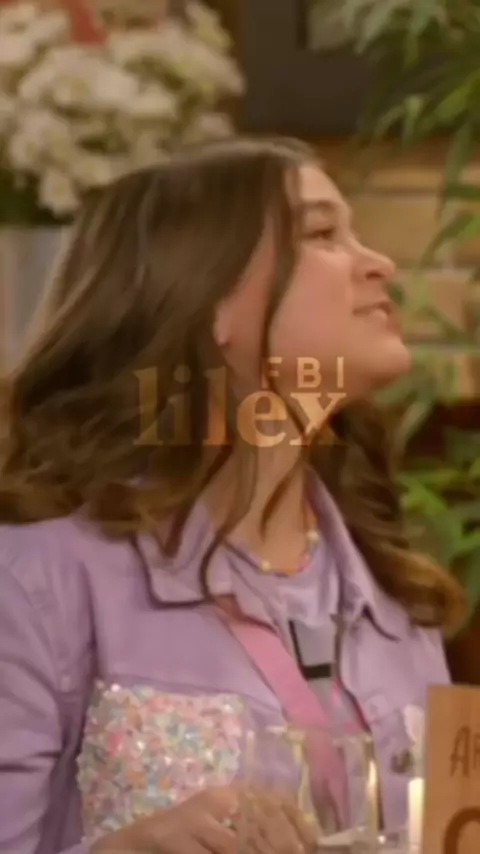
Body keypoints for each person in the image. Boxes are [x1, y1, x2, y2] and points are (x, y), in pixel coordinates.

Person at [0, 137, 465, 854]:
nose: (379, 264)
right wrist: (128, 850)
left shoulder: (396, 593)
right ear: (204, 295)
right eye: (322, 234)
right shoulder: (38, 576)